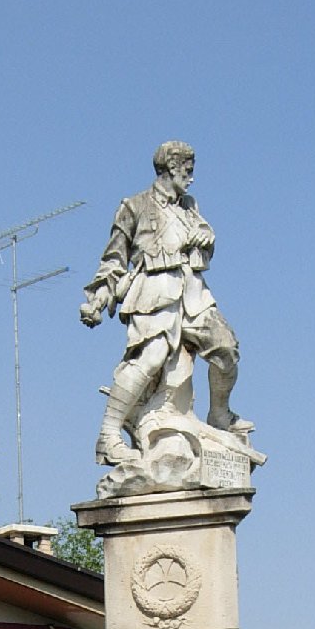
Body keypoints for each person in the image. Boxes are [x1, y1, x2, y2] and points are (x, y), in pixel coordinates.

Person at [80, 141, 249, 464]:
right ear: (172, 167)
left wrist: (205, 239)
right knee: (152, 355)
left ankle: (219, 413)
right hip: (154, 291)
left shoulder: (190, 206)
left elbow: (203, 242)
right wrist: (98, 300)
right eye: (188, 170)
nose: (191, 177)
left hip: (192, 292)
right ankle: (108, 435)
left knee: (226, 348)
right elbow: (114, 259)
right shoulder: (134, 206)